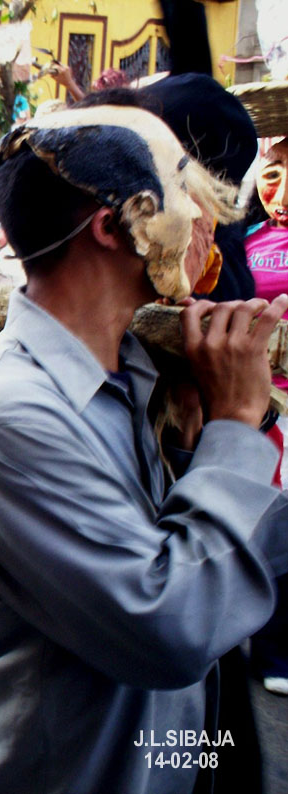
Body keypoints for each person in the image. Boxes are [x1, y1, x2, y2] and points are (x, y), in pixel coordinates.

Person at [0, 105, 288, 792]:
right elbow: (172, 626)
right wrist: (237, 427)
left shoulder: (134, 369)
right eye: (180, 188)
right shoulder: (4, 416)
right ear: (116, 224)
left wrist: (196, 433)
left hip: (160, 756)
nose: (199, 216)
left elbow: (199, 555)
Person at [244, 136, 288, 697]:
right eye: (273, 174)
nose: (282, 194)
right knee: (264, 524)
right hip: (254, 408)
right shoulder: (243, 240)